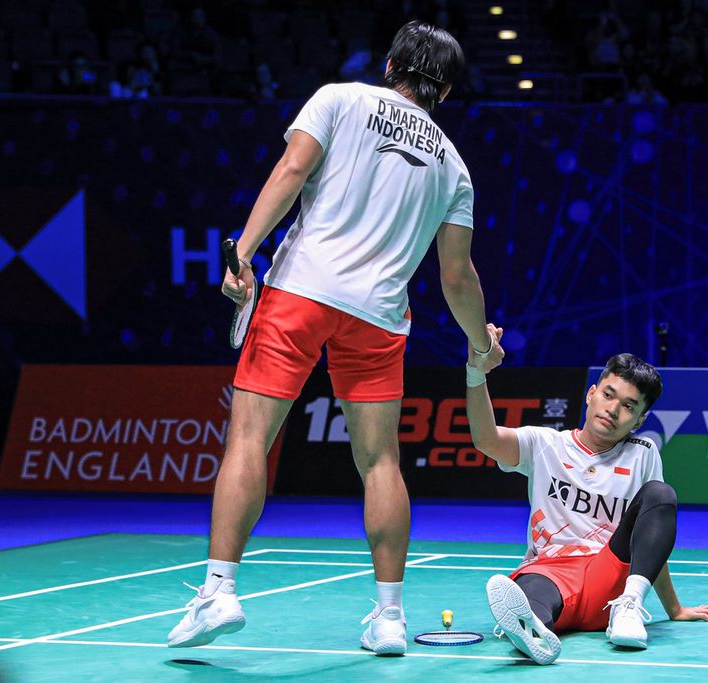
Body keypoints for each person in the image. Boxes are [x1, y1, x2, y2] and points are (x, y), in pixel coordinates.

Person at [167, 20, 504, 654]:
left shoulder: (340, 98)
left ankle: (219, 591)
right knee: (380, 463)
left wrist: (244, 252)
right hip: (379, 316)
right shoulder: (454, 167)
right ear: (448, 91)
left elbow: (293, 168)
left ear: (389, 65)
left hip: (302, 292)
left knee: (249, 436)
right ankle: (390, 618)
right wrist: (480, 347)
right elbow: (457, 278)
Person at [466, 347, 708, 664]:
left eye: (628, 406)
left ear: (640, 419)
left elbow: (649, 537)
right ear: (591, 394)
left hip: (611, 581)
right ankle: (532, 629)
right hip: (550, 573)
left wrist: (674, 608)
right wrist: (476, 373)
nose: (613, 410)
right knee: (532, 595)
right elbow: (486, 440)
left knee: (660, 494)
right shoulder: (545, 444)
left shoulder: (642, 454)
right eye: (608, 395)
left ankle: (628, 608)